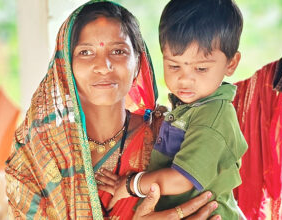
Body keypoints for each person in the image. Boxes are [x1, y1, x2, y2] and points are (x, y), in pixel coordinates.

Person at [4, 1, 219, 219]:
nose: (103, 65)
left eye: (118, 51)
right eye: (86, 52)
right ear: (65, 67)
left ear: (138, 62)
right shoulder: (38, 154)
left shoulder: (169, 135)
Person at [106, 0, 247, 219]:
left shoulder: (212, 117)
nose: (184, 79)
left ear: (231, 64)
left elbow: (181, 179)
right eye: (174, 65)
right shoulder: (189, 108)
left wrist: (131, 185)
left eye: (201, 68)